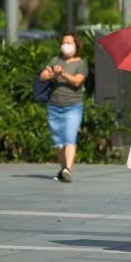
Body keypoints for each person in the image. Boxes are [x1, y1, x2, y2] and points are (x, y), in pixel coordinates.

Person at [39, 33, 88, 183]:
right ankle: (63, 169)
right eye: (64, 42)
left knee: (70, 137)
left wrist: (63, 73)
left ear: (76, 46)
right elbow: (42, 76)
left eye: (69, 43)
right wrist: (53, 74)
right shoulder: (55, 60)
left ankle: (68, 169)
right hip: (54, 106)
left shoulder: (81, 63)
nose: (65, 45)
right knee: (58, 142)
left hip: (73, 106)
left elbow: (77, 81)